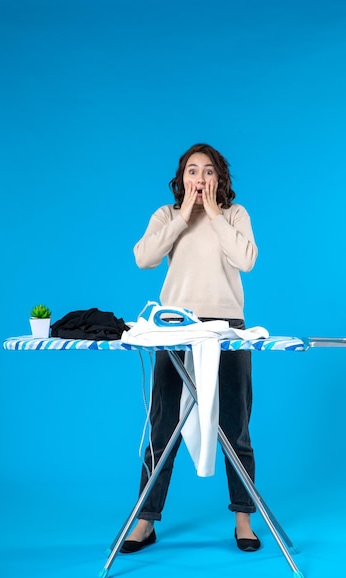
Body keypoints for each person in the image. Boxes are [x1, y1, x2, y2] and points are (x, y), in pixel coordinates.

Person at [120, 143, 261, 553]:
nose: (201, 178)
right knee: (164, 425)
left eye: (209, 171)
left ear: (220, 179)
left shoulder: (235, 215)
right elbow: (144, 258)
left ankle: (244, 519)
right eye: (193, 171)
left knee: (235, 423)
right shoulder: (166, 216)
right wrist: (183, 216)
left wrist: (214, 214)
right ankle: (145, 521)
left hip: (227, 327)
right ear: (182, 178)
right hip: (175, 328)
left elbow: (246, 259)